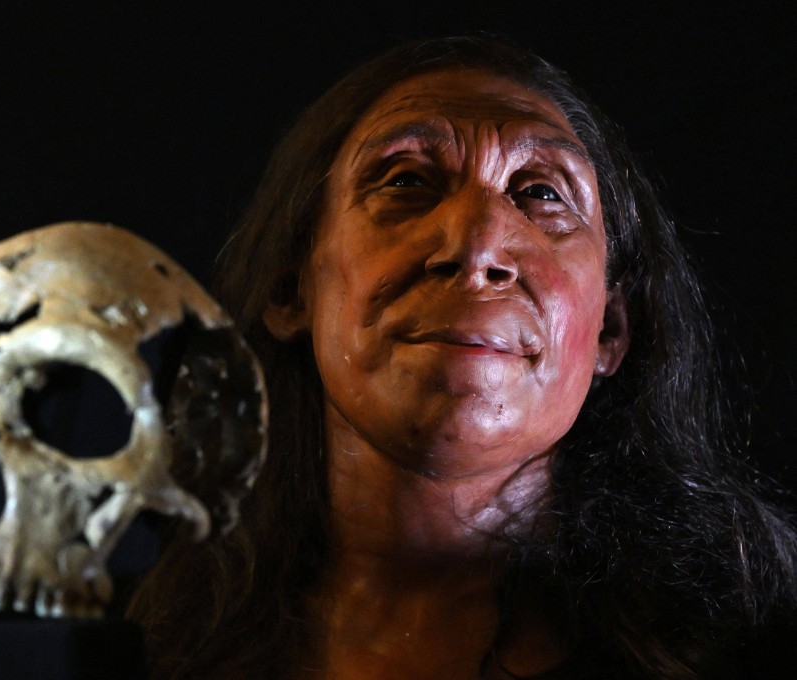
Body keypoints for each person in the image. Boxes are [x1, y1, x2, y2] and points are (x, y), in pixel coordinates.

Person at [127, 36, 797, 679]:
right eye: (406, 180)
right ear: (290, 287)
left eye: (541, 193)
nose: (477, 246)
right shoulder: (133, 651)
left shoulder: (756, 645)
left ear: (612, 330)